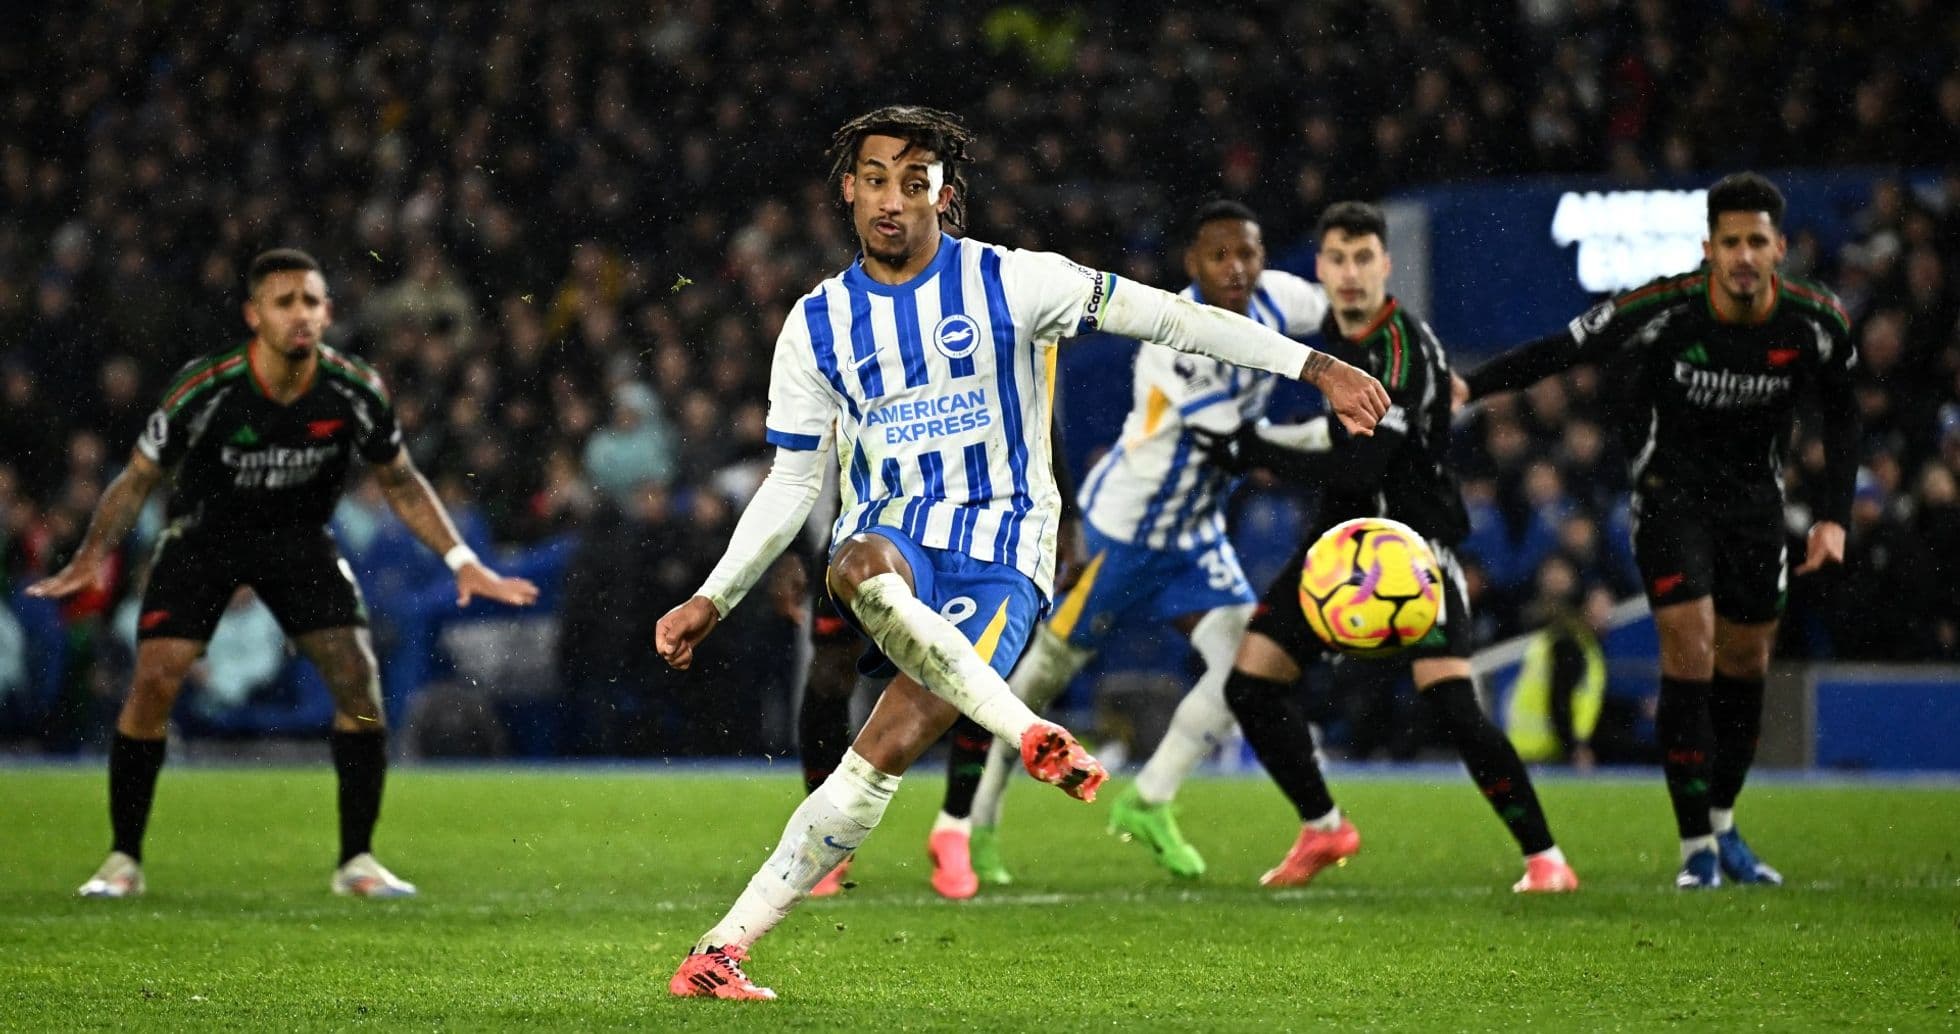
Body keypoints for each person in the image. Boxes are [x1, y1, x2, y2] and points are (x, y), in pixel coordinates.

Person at [655, 106, 1389, 1001]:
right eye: (876, 180)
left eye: (914, 182)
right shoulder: (818, 324)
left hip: (1004, 557)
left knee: (882, 751)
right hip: (893, 537)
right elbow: (791, 480)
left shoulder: (1018, 281)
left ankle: (720, 949)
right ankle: (1027, 732)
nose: (892, 200)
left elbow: (1174, 319)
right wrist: (714, 597)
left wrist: (1316, 368)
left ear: (943, 195)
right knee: (856, 565)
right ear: (848, 190)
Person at [28, 248, 540, 900]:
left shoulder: (354, 388)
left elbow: (402, 481)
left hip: (300, 545)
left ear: (328, 312)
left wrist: (463, 561)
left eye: (311, 301)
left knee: (358, 681)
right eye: (284, 302)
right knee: (154, 679)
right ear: (254, 315)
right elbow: (137, 478)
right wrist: (90, 556)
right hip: (205, 540)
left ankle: (357, 861)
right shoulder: (206, 387)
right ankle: (122, 860)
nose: (300, 314)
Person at [1454, 172, 1858, 888]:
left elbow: (1844, 412)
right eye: (1729, 242)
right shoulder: (1664, 306)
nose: (1742, 256)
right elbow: (1564, 348)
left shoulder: (1815, 320)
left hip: (1755, 510)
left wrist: (1833, 516)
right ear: (1709, 249)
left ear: (1779, 248)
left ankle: (1724, 824)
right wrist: (1471, 386)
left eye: (1755, 242)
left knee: (1745, 662)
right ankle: (1694, 844)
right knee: (1691, 647)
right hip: (1672, 501)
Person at [1198, 201, 1581, 895]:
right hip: (1339, 548)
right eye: (1337, 259)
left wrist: (1251, 450)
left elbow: (1359, 466)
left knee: (1452, 704)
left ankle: (1545, 857)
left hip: (1411, 548)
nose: (1350, 274)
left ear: (1386, 265)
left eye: (1363, 259)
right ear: (1320, 268)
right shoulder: (1327, 338)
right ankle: (1323, 826)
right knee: (1251, 684)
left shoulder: (1404, 350)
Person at [956, 199, 1329, 885]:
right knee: (1035, 682)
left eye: (1247, 253)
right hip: (1120, 536)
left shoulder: (1280, 297)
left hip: (1195, 535)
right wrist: (1337, 436)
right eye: (1219, 255)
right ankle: (972, 825)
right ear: (1193, 264)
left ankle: (1150, 799)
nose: (1236, 268)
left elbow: (1339, 309)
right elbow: (1241, 446)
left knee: (1246, 672)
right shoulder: (1175, 341)